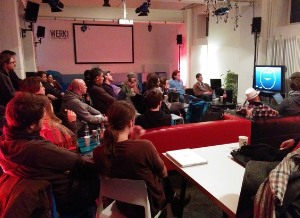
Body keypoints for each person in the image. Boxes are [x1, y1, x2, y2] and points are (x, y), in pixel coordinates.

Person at [0, 92, 99, 217]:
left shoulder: (6, 142)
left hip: (48, 194)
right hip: (65, 197)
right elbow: (79, 162)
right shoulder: (35, 148)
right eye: (42, 118)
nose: (44, 121)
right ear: (31, 126)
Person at [93, 101, 186, 218]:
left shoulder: (98, 152)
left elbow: (123, 156)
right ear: (131, 122)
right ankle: (173, 199)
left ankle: (174, 199)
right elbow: (163, 172)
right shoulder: (145, 146)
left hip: (122, 204)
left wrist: (134, 140)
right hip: (148, 207)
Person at [19, 77, 77, 149]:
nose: (44, 88)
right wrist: (72, 124)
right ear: (34, 90)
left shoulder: (21, 105)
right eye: (41, 86)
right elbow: (71, 147)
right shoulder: (42, 107)